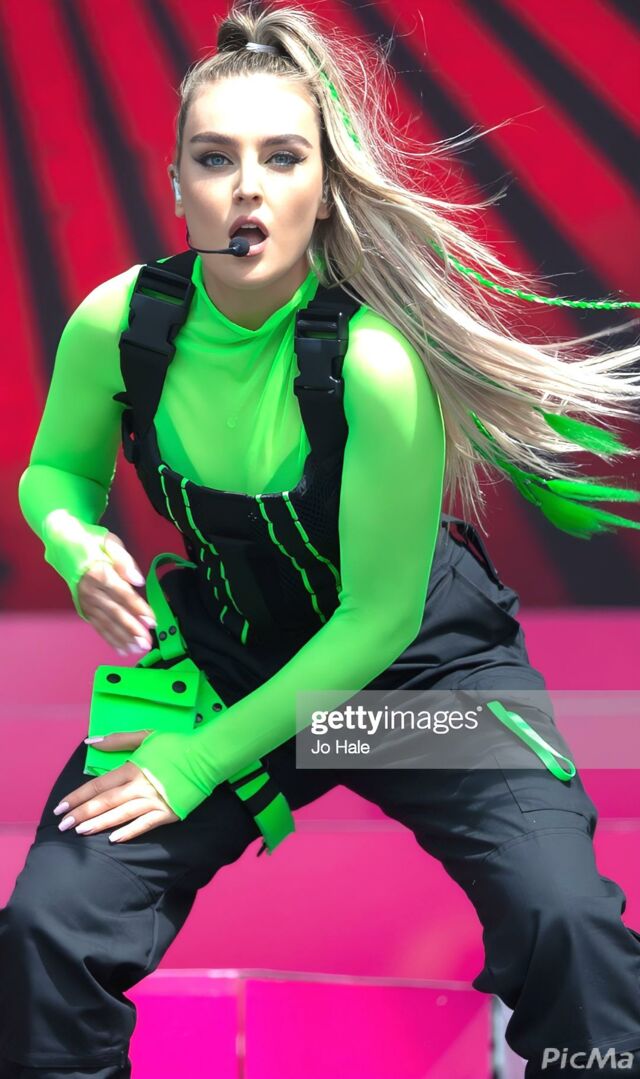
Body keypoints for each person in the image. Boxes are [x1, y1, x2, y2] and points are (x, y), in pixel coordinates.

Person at [3, 4, 640, 1077]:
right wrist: (73, 541)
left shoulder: (378, 366)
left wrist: (192, 764)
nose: (246, 188)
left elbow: (376, 619)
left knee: (565, 923)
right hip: (230, 660)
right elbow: (54, 471)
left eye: (282, 157)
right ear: (176, 184)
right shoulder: (117, 322)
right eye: (215, 158)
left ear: (325, 188)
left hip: (408, 688)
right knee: (46, 930)